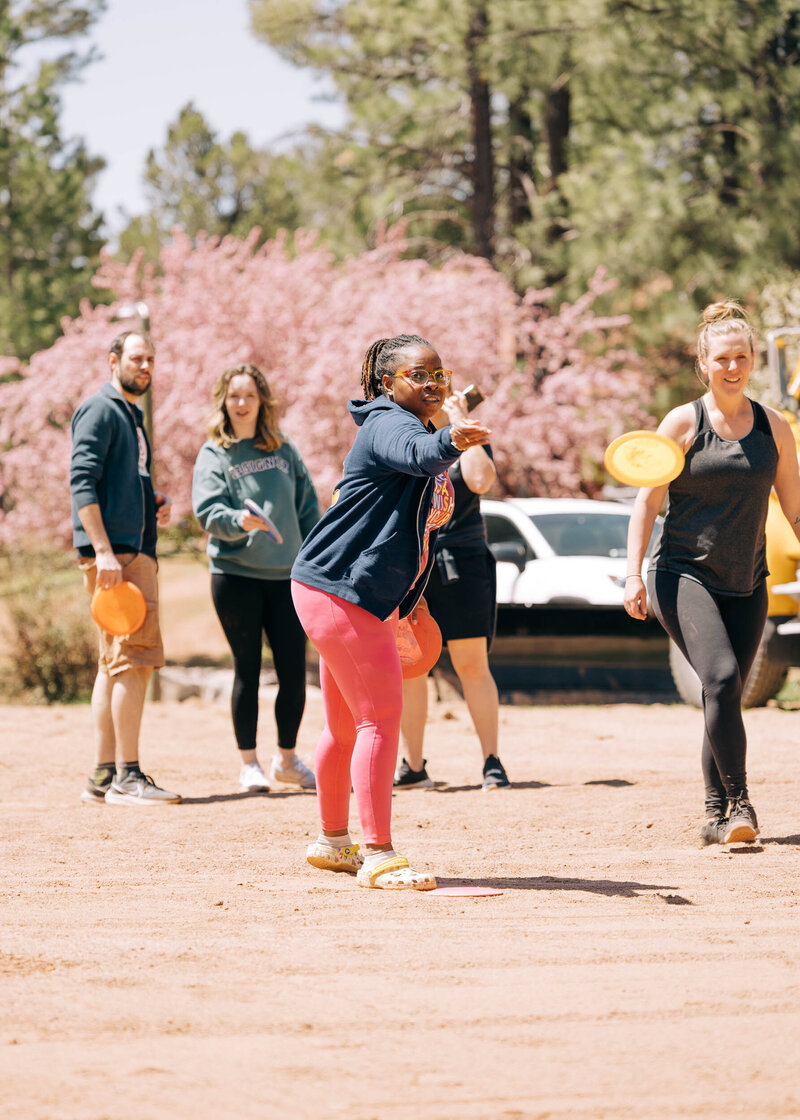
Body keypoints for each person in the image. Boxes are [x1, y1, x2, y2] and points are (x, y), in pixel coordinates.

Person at [291, 334, 491, 890]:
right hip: (342, 591)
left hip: (348, 590)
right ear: (388, 382)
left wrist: (409, 603)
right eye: (417, 375)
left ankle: (335, 843)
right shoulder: (387, 424)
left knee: (344, 725)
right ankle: (378, 854)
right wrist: (452, 437)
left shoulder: (409, 425)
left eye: (438, 373)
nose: (431, 384)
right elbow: (418, 456)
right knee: (379, 717)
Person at [626, 301, 800, 845]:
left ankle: (713, 814)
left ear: (752, 361)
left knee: (723, 693)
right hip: (682, 574)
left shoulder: (775, 426)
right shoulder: (683, 422)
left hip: (748, 579)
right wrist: (632, 575)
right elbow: (646, 505)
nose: (733, 367)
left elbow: (794, 508)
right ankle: (741, 805)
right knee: (723, 679)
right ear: (703, 363)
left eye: (742, 357)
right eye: (722, 358)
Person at [192, 363, 321, 792]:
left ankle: (286, 759)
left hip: (288, 577)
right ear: (223, 402)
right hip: (236, 576)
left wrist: (315, 556)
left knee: (293, 671)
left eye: (249, 396)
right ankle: (249, 764)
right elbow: (208, 512)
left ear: (262, 401)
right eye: (234, 396)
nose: (242, 404)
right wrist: (239, 522)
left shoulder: (283, 449)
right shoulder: (215, 453)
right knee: (246, 669)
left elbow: (308, 509)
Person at [71, 331, 180, 806]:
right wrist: (104, 552)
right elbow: (81, 482)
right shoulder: (100, 409)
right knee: (135, 660)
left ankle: (102, 774)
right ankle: (127, 777)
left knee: (113, 665)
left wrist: (149, 500)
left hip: (126, 550)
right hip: (117, 557)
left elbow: (118, 480)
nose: (146, 366)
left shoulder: (129, 416)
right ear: (112, 360)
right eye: (137, 358)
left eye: (151, 359)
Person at [394, 386, 510, 791]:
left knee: (472, 663)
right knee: (412, 667)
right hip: (414, 565)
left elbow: (480, 481)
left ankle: (492, 762)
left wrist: (462, 423)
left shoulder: (468, 435)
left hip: (463, 561)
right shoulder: (408, 435)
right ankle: (413, 765)